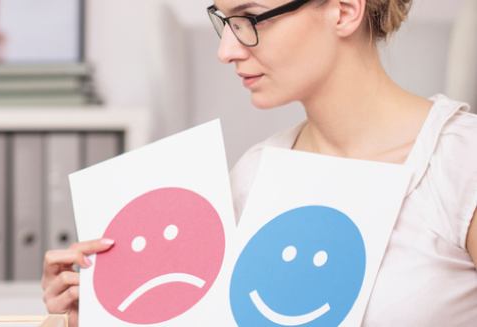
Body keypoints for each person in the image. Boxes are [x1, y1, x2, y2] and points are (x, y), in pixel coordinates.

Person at [42, 0, 477, 325]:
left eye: (249, 19)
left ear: (344, 10)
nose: (227, 50)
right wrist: (93, 315)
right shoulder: (252, 178)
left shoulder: (458, 162)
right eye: (225, 21)